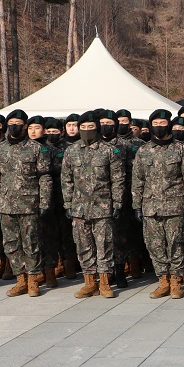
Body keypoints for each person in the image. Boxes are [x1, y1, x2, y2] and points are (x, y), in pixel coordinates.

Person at [132, 110, 184, 299]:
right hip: (150, 207)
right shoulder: (143, 150)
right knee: (155, 245)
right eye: (156, 124)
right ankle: (163, 281)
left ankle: (176, 281)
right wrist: (137, 205)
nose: (159, 127)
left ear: (169, 124)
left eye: (163, 123)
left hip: (175, 206)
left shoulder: (181, 149)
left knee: (176, 244)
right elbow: (137, 180)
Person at [60, 111, 124, 298]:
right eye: (83, 127)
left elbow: (118, 179)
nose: (87, 130)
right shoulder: (71, 151)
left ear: (97, 128)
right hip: (79, 208)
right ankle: (90, 283)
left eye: (90, 127)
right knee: (83, 246)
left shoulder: (109, 150)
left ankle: (104, 282)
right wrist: (68, 204)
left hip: (103, 207)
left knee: (104, 245)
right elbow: (66, 180)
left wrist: (117, 203)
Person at [0, 110, 52, 297]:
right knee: (11, 244)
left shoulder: (36, 148)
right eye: (11, 123)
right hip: (6, 205)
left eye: (18, 123)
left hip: (29, 204)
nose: (14, 126)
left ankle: (33, 280)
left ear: (24, 126)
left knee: (31, 242)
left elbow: (45, 177)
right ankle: (21, 279)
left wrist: (44, 202)